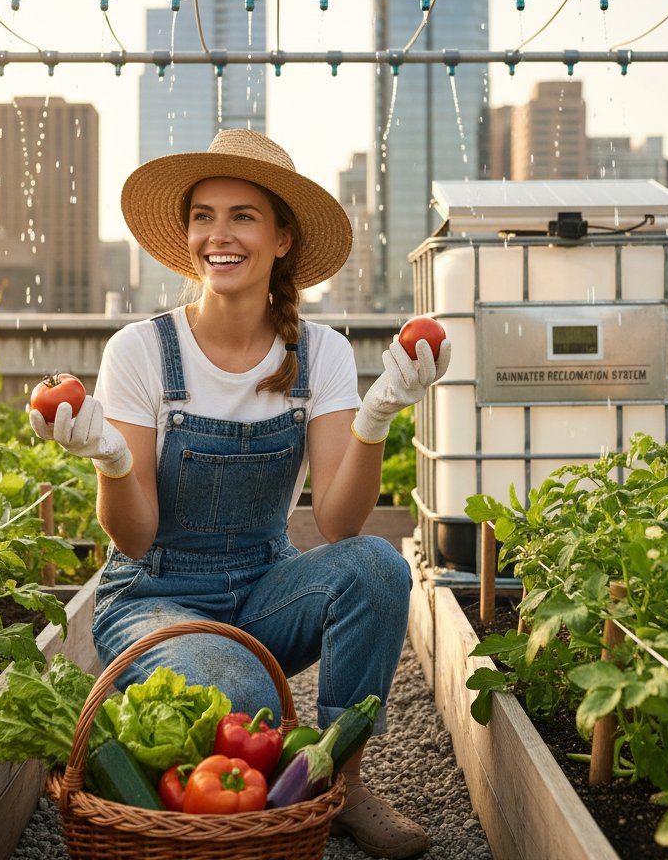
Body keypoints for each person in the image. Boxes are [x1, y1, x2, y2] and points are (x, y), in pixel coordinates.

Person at [30, 128, 450, 859]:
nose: (218, 235)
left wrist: (377, 416)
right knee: (243, 696)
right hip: (153, 596)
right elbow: (133, 537)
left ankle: (342, 785)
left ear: (282, 239)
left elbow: (339, 523)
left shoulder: (318, 353)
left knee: (379, 567)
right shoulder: (141, 350)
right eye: (204, 216)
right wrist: (111, 461)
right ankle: (260, 795)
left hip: (263, 587)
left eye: (242, 217)